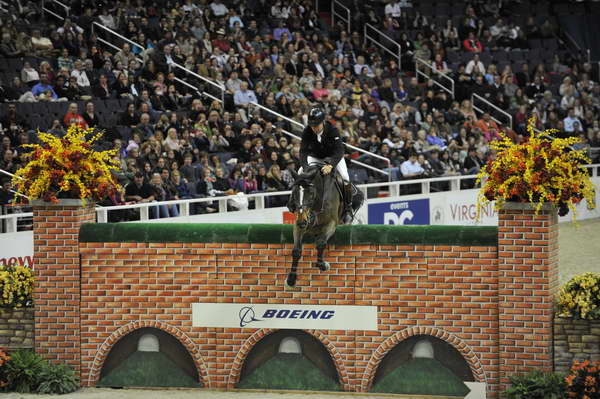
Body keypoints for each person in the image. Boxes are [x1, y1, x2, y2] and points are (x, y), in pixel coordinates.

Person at [288, 107, 353, 224]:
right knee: (299, 173)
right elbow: (303, 151)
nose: (314, 128)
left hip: (333, 157)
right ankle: (293, 202)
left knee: (345, 177)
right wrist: (306, 167)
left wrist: (331, 165)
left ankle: (348, 209)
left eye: (317, 125)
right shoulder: (308, 130)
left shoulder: (333, 130)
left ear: (322, 122)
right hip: (316, 157)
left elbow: (339, 151)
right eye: (312, 126)